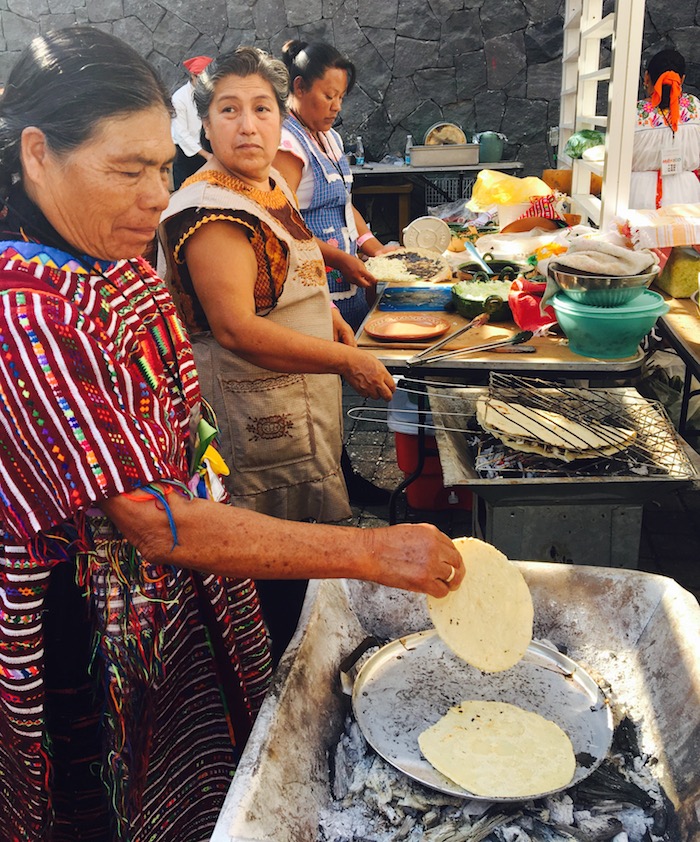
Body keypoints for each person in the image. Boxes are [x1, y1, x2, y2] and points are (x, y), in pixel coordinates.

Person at [0, 26, 464, 842]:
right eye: (127, 170)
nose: (154, 195)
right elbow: (151, 520)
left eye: (159, 166)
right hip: (86, 634)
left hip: (165, 604)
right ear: (38, 154)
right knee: (103, 808)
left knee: (192, 788)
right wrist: (368, 554)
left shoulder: (103, 254)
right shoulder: (27, 308)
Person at [159, 46, 403, 659]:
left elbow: (292, 272)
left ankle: (308, 650)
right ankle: (271, 680)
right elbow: (237, 327)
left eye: (261, 108)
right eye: (229, 110)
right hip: (249, 415)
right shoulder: (209, 209)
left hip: (295, 401)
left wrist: (329, 321)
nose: (248, 125)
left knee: (304, 539)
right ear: (205, 124)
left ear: (279, 114)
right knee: (266, 555)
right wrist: (346, 361)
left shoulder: (266, 185)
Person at [274, 40, 396, 333]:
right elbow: (281, 224)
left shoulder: (329, 138)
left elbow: (343, 204)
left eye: (341, 97)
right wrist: (341, 259)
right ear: (299, 87)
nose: (337, 107)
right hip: (313, 286)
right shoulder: (286, 144)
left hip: (347, 284)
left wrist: (374, 249)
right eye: (329, 96)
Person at [630, 48, 700, 209]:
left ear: (647, 77)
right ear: (681, 80)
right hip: (687, 195)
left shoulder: (632, 112)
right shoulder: (694, 107)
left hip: (639, 194)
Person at [171, 54, 213, 188]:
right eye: (200, 78)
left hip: (205, 146)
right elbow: (181, 134)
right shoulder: (179, 98)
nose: (204, 82)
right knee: (184, 191)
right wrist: (206, 155)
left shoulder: (211, 93)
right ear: (192, 76)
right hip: (185, 152)